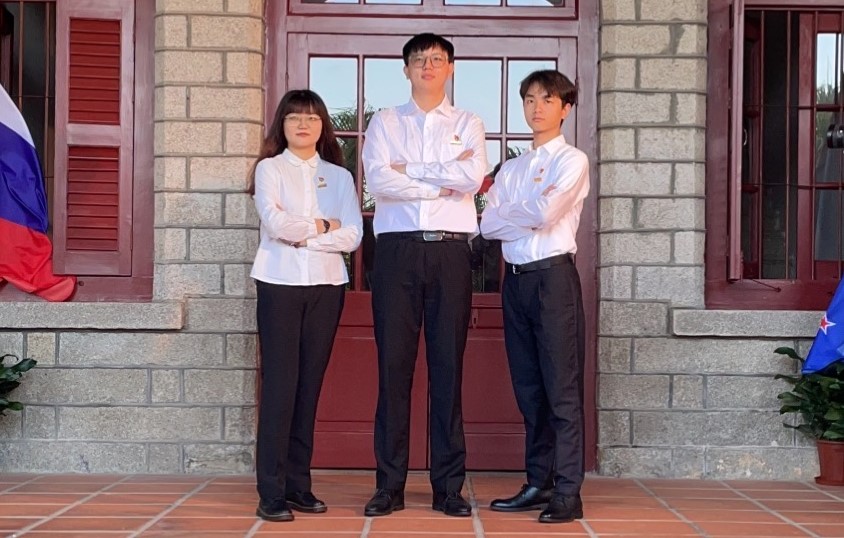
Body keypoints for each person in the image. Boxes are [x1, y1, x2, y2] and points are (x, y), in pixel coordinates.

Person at [360, 32, 487, 518]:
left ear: (450, 68)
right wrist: (439, 180)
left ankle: (448, 487)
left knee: (447, 371)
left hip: (451, 254)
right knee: (393, 370)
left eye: (436, 59)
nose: (428, 66)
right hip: (397, 254)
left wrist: (410, 169)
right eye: (419, 60)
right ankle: (388, 485)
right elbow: (378, 179)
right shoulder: (385, 121)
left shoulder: (468, 122)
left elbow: (471, 179)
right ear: (406, 70)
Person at [480, 69, 589, 524]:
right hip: (517, 282)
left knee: (561, 388)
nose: (537, 107)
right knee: (529, 389)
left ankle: (567, 490)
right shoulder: (511, 168)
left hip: (553, 280)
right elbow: (488, 225)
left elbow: (546, 213)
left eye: (547, 99)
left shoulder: (572, 160)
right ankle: (538, 481)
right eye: (529, 99)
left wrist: (515, 212)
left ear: (565, 108)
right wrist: (522, 213)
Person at [250, 89, 363, 522]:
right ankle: (271, 490)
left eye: (312, 118)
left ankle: (299, 484)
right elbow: (276, 224)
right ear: (282, 124)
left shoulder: (339, 177)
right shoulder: (269, 169)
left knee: (309, 387)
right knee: (280, 386)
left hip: (327, 286)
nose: (303, 124)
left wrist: (307, 236)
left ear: (322, 127)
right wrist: (322, 225)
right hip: (279, 283)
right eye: (294, 117)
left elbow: (352, 235)